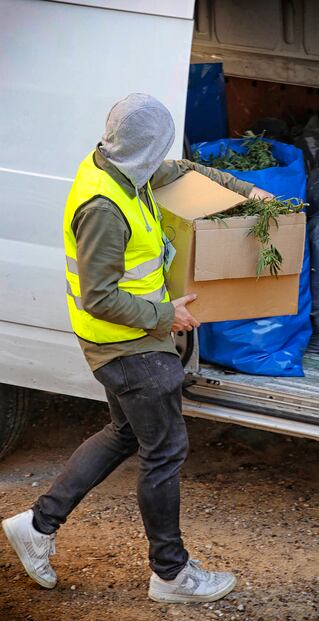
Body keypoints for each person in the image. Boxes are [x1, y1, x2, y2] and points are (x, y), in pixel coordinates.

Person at [2, 94, 273, 603]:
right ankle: (171, 575)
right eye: (160, 147)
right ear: (142, 148)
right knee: (165, 451)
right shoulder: (104, 207)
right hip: (128, 346)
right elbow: (99, 296)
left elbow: (183, 170)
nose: (163, 157)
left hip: (131, 340)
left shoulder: (122, 166)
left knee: (125, 433)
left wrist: (250, 195)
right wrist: (164, 315)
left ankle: (37, 525)